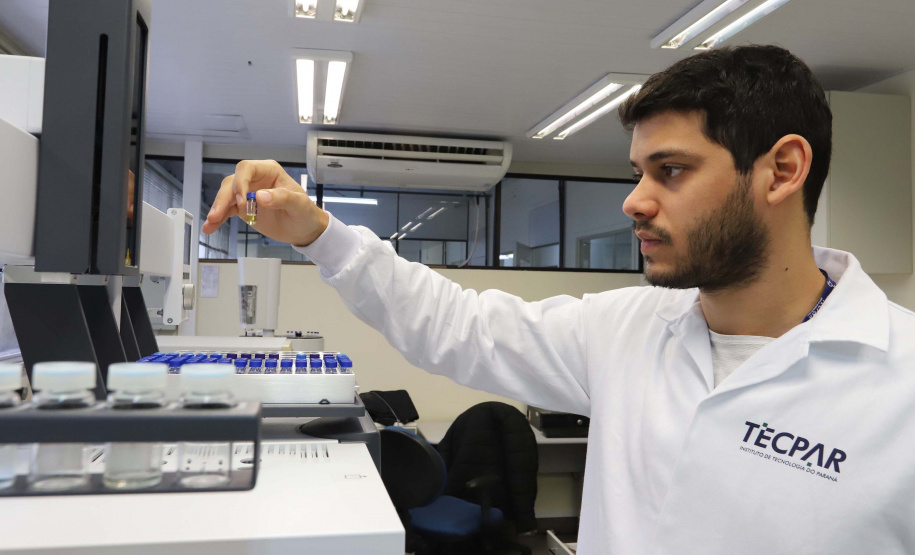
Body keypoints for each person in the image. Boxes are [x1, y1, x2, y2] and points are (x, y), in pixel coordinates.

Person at [203, 45, 915, 554]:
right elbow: (455, 325)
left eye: (671, 170)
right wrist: (320, 234)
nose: (635, 201)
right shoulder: (627, 328)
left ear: (782, 170)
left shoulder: (900, 381)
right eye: (638, 173)